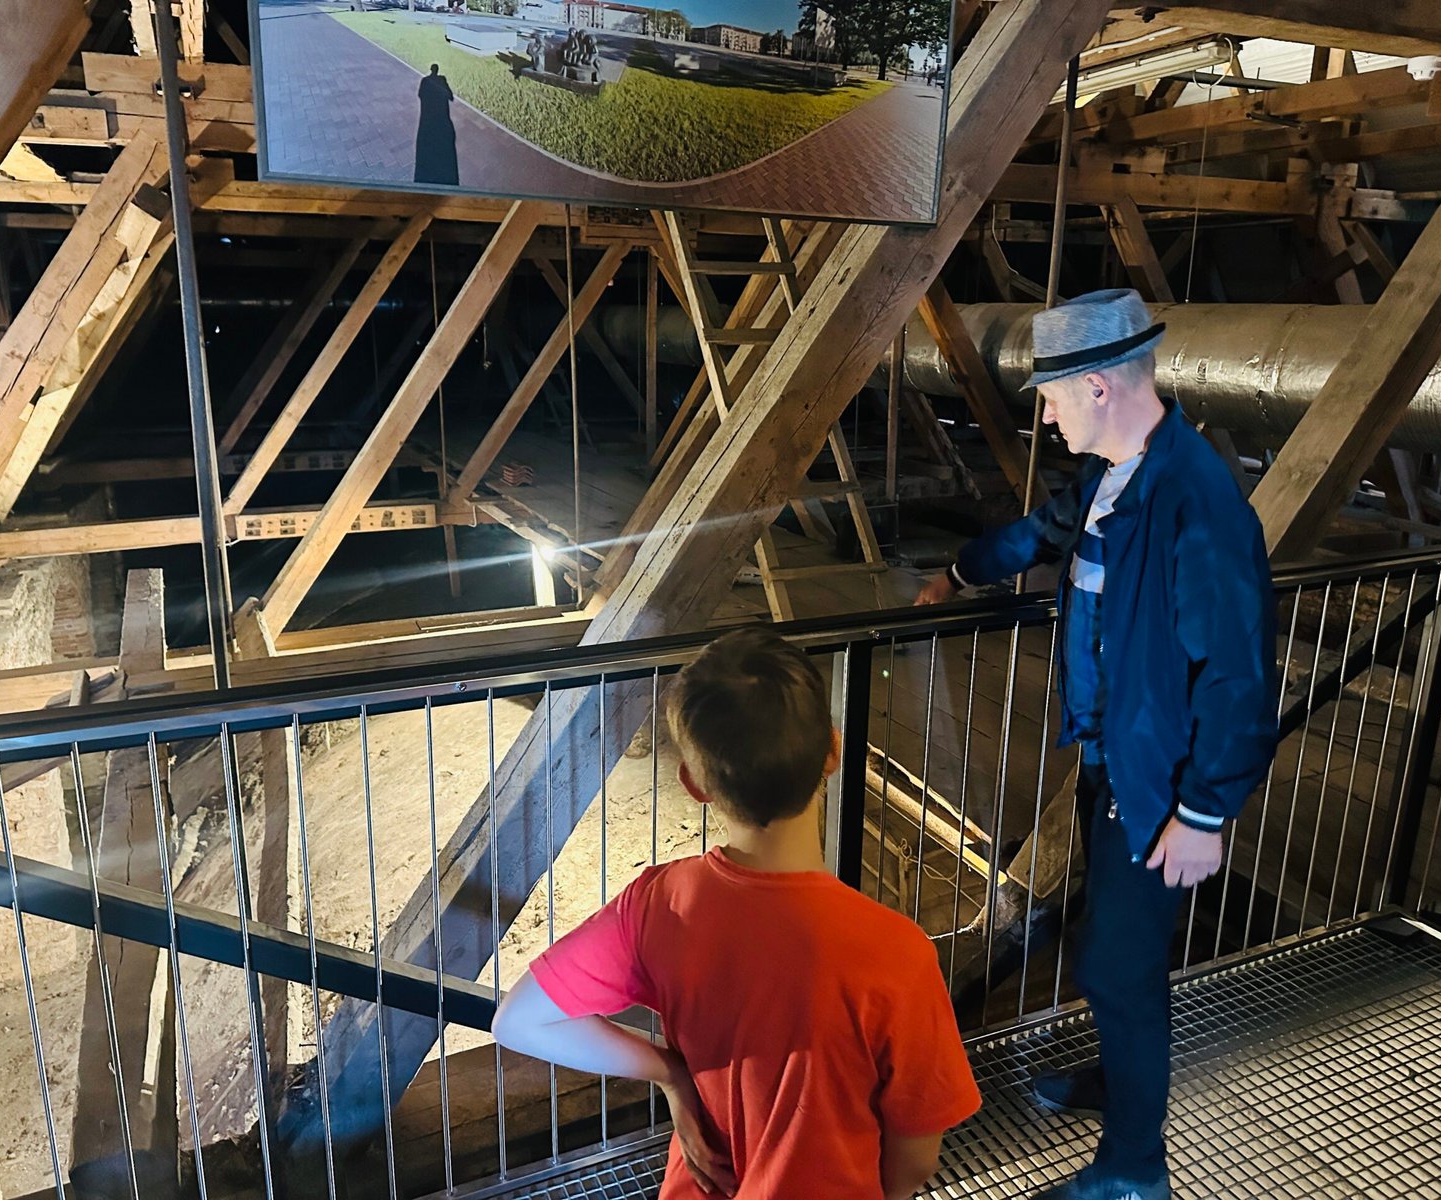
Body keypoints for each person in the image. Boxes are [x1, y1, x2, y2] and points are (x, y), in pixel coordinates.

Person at [915, 290, 1277, 1200]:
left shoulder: (1195, 501)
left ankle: (1134, 1171)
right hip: (1112, 760)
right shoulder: (1117, 478)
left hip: (1155, 784)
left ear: (1100, 387)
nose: (1045, 414)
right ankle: (1124, 1085)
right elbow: (1039, 533)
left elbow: (1238, 675)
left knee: (1117, 969)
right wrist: (959, 570)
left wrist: (1204, 813)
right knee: (1117, 956)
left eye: (1051, 395)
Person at [493, 627, 982, 1198]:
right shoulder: (898, 951)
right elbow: (916, 1158)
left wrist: (670, 1073)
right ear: (832, 751)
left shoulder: (657, 902)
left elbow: (517, 1021)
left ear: (694, 783)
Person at [414, 64, 459, 186]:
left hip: (428, 116)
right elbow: (450, 96)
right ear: (437, 70)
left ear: (431, 70)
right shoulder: (442, 80)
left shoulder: (425, 81)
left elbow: (420, 95)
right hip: (441, 115)